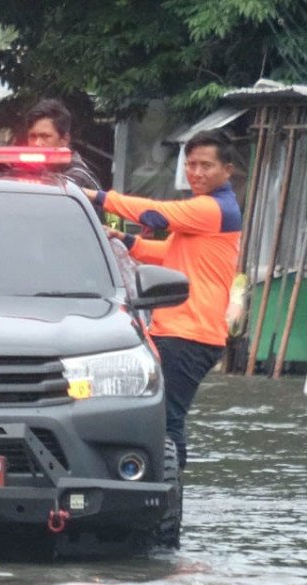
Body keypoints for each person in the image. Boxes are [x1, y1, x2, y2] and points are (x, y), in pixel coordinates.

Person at [83, 130, 241, 469]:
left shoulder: (212, 208)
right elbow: (168, 253)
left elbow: (155, 214)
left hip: (189, 333)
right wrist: (124, 239)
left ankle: (170, 494)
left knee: (167, 420)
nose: (196, 173)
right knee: (159, 417)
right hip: (181, 330)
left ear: (227, 170)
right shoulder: (208, 216)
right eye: (191, 164)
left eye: (206, 166)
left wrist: (96, 197)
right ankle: (165, 486)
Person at [25, 98, 137, 294]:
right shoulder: (36, 174)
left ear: (64, 139)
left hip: (76, 283)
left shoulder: (76, 180)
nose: (37, 143)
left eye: (45, 136)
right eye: (32, 136)